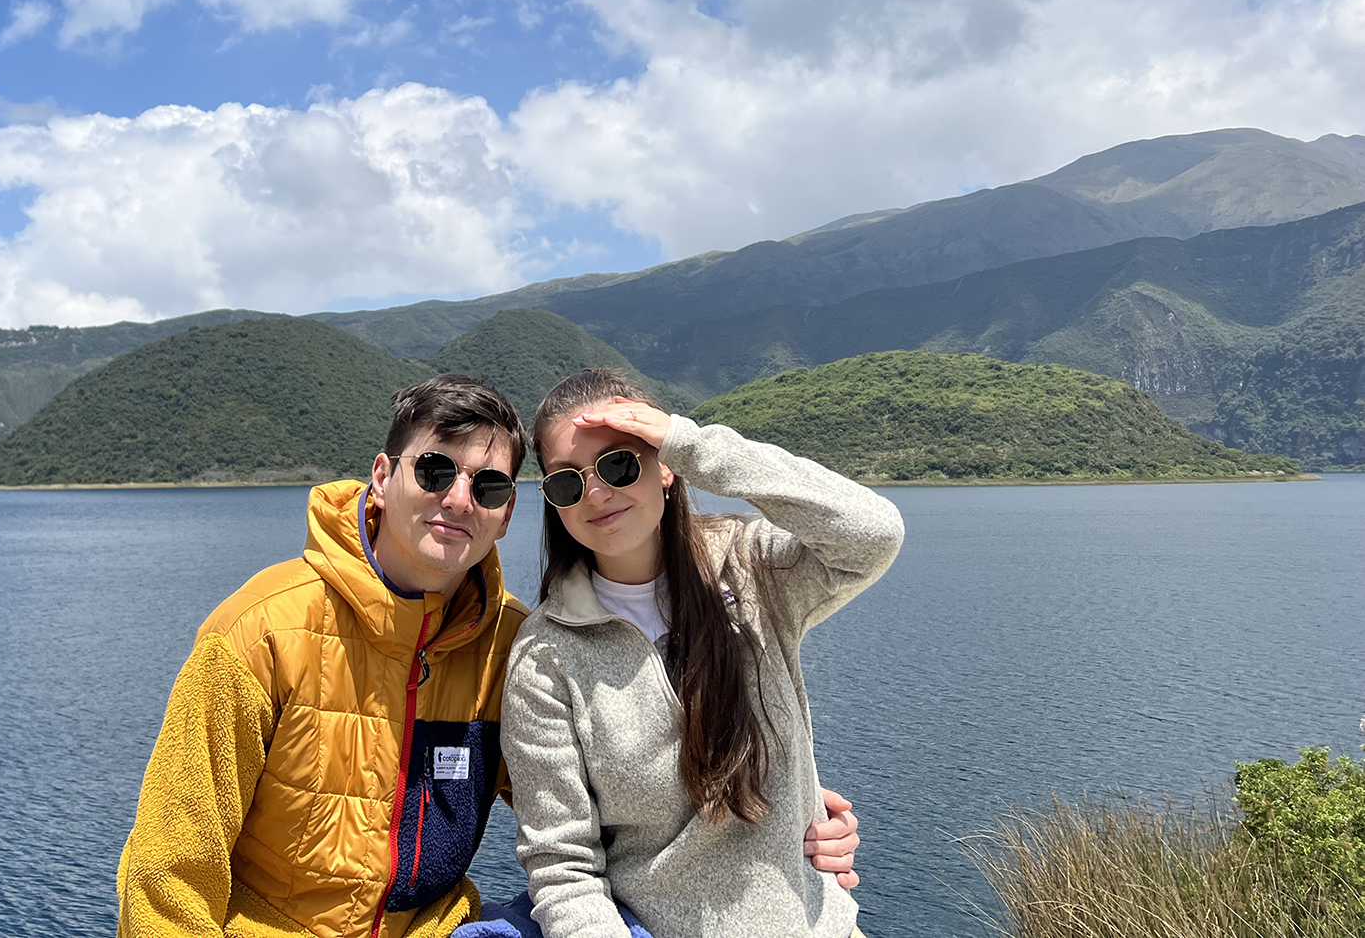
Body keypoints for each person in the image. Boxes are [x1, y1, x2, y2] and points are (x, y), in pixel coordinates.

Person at [117, 372, 866, 938]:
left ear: (508, 511)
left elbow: (583, 811)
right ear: (383, 478)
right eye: (434, 470)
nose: (456, 499)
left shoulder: (506, 640)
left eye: (488, 484)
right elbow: (169, 865)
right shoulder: (260, 630)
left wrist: (788, 795)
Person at [501, 369, 904, 938]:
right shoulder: (546, 656)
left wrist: (693, 444)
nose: (595, 493)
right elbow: (563, 868)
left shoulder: (753, 566)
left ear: (665, 467)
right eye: (567, 481)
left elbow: (873, 533)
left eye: (619, 464)